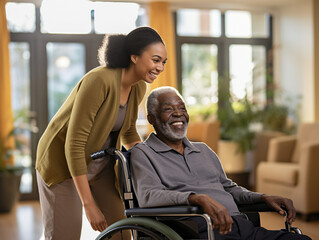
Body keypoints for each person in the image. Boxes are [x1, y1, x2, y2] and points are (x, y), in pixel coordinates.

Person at [36, 27, 167, 240]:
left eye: (163, 62)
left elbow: (130, 131)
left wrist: (150, 161)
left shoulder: (139, 87)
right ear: (134, 57)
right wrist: (88, 205)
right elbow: (74, 144)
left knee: (122, 230)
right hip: (63, 165)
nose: (160, 67)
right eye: (155, 60)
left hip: (99, 163)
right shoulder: (99, 80)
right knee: (66, 234)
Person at [130, 86, 311, 240]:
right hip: (201, 231)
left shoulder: (203, 150)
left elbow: (229, 189)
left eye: (182, 108)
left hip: (242, 228)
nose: (178, 114)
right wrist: (196, 197)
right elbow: (149, 196)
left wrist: (263, 197)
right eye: (168, 109)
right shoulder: (143, 153)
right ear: (151, 118)